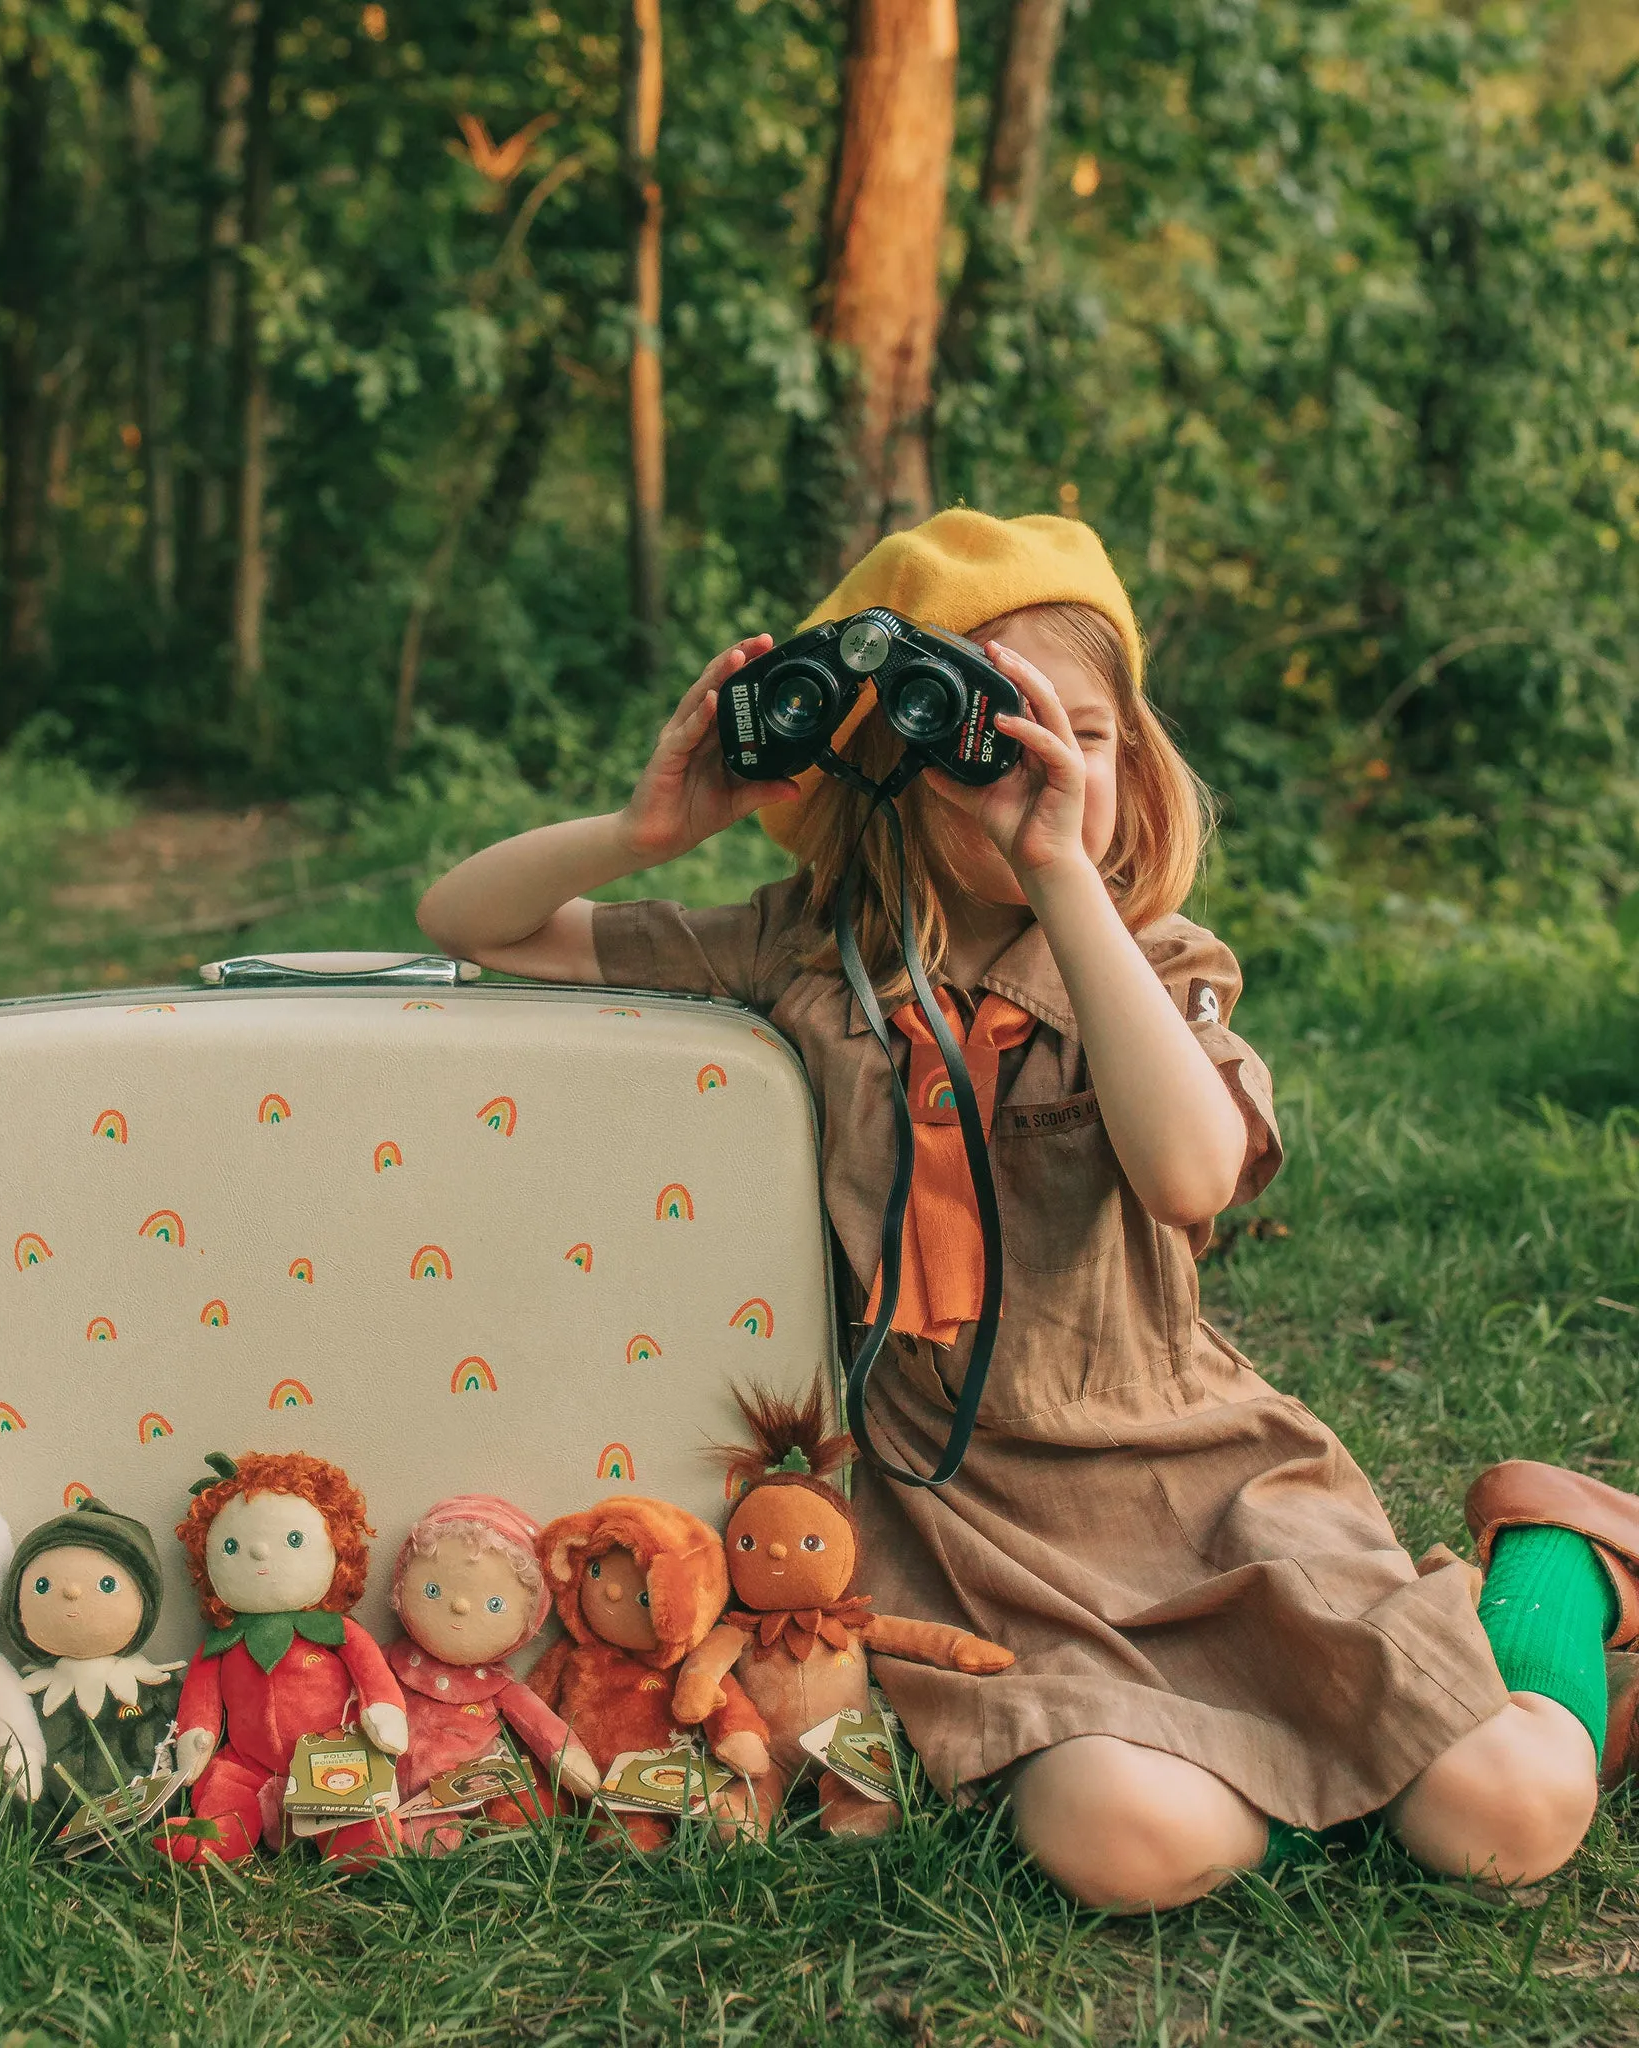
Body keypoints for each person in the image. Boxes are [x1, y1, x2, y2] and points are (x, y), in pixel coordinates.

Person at [417, 508, 1638, 1909]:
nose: (1041, 771)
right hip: (969, 1514)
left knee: (1515, 1814)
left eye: (1088, 739)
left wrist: (1064, 880)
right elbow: (474, 922)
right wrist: (651, 829)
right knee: (1126, 1844)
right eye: (980, 738)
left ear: (1136, 761)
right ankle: (1346, 1776)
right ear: (888, 768)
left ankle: (1557, 1571)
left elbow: (1189, 1178)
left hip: (1198, 1480)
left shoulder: (1160, 965)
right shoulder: (809, 954)